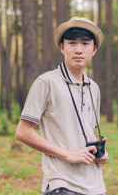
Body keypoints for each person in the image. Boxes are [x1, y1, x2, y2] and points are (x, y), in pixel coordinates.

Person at [15, 17, 108, 195]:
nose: (78, 50)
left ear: (94, 49)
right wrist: (68, 155)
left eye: (85, 44)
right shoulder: (46, 82)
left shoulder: (93, 88)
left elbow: (83, 130)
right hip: (62, 184)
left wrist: (100, 154)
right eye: (72, 43)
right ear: (62, 47)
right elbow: (22, 132)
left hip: (96, 186)